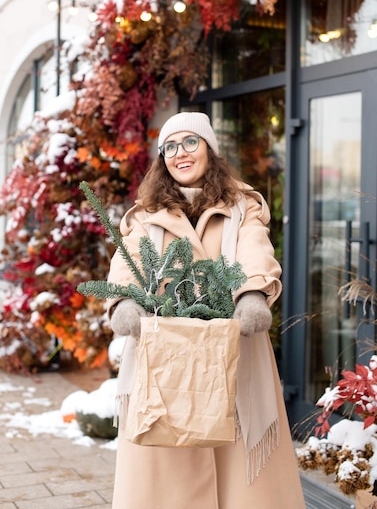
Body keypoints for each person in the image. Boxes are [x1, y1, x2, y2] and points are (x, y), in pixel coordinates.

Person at [107, 112, 306, 509]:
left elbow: (254, 249)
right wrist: (125, 301)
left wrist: (252, 295)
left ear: (210, 149)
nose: (181, 153)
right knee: (166, 461)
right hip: (163, 354)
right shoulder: (145, 213)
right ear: (162, 157)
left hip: (234, 349)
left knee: (240, 470)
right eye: (170, 147)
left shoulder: (241, 206)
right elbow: (127, 259)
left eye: (191, 142)